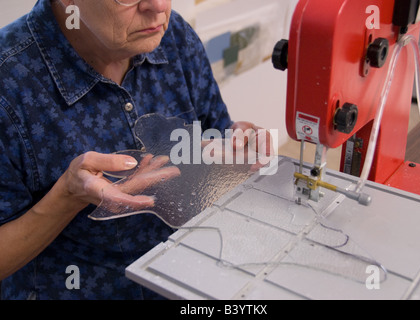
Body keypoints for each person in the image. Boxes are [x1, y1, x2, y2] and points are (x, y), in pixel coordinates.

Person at [0, 0, 270, 299]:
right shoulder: (10, 84)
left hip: (186, 278)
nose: (158, 6)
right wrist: (68, 197)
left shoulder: (172, 34)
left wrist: (232, 149)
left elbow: (213, 138)